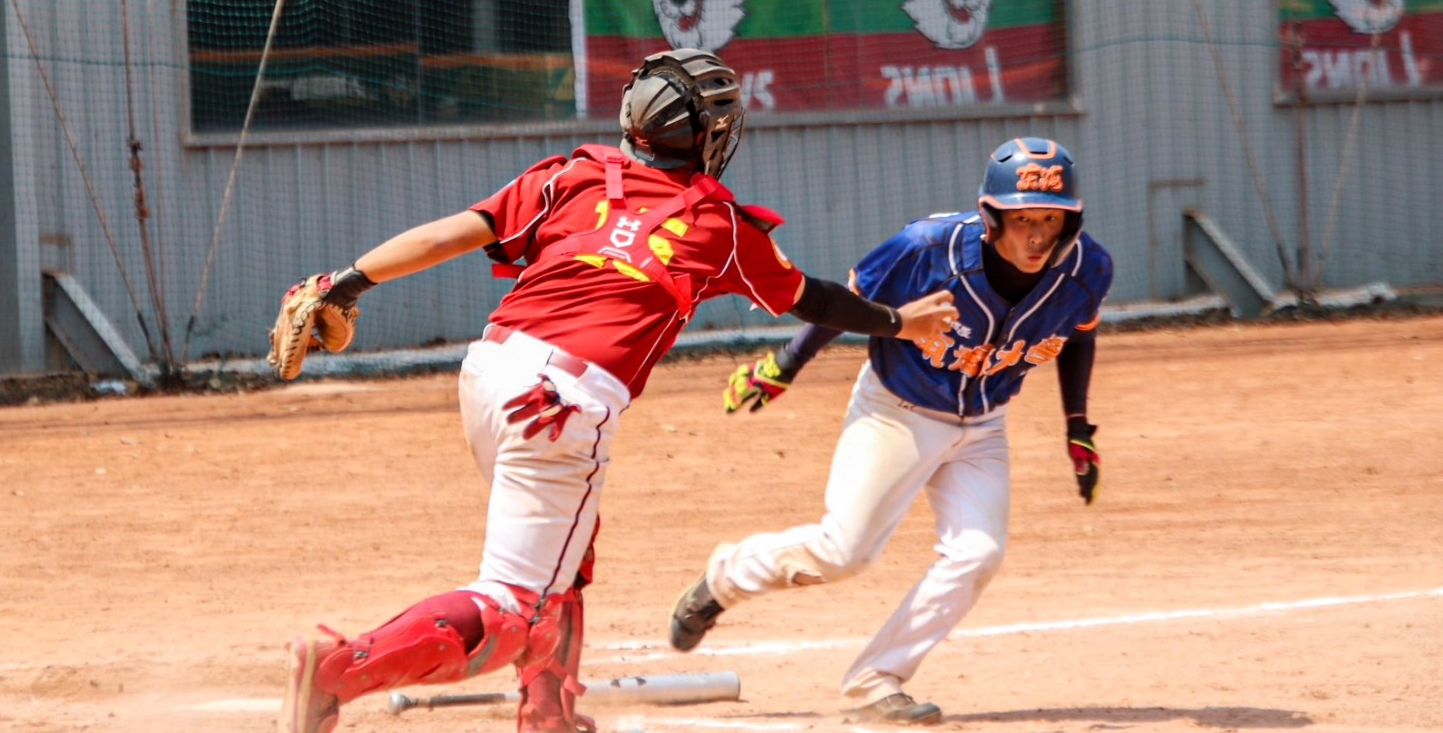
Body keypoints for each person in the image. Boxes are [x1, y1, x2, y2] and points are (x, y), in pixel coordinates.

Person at [275, 48, 959, 733]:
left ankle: (549, 708)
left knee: (566, 549)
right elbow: (816, 299)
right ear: (707, 137)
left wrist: (348, 281)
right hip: (560, 404)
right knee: (518, 607)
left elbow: (452, 233)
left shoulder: (574, 175)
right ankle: (337, 671)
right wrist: (897, 322)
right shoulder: (717, 224)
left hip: (490, 371)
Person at [668, 137, 1113, 726]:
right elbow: (848, 302)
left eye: (1050, 220)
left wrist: (1077, 427)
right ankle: (728, 576)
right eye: (1022, 218)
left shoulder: (1086, 270)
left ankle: (877, 679)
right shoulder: (927, 248)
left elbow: (1077, 334)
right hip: (897, 410)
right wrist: (786, 365)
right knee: (843, 552)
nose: (1036, 236)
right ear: (992, 216)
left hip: (983, 427)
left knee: (978, 553)